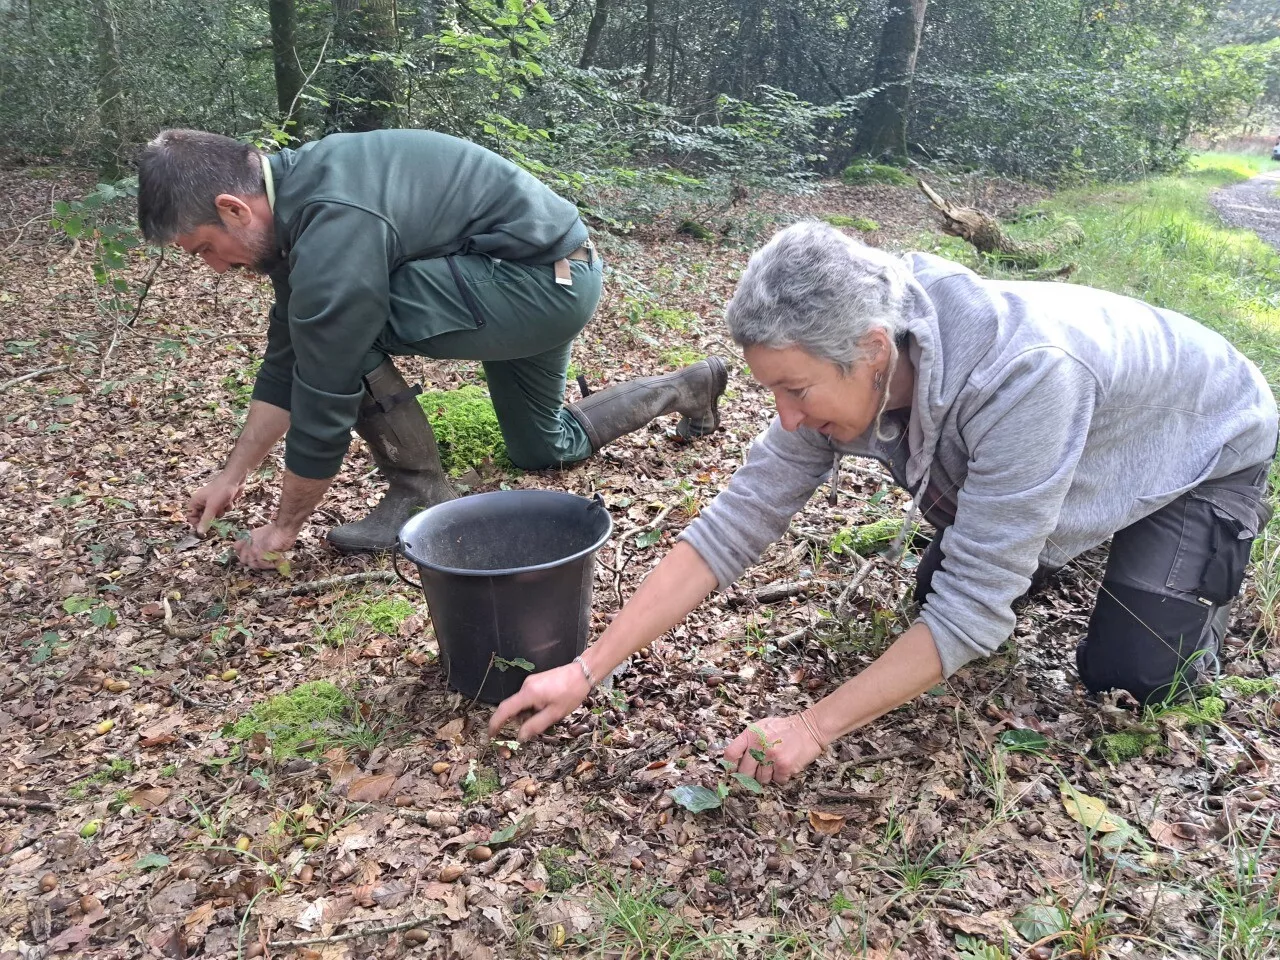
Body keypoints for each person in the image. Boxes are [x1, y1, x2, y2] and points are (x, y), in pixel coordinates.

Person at [490, 221, 1277, 784]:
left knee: (1132, 678)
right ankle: (1063, 525)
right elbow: (735, 524)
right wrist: (587, 669)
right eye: (774, 392)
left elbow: (974, 613)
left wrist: (811, 727)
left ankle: (1161, 560)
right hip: (1075, 429)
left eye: (795, 391)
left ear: (873, 350)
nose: (787, 419)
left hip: (1203, 441)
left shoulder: (1025, 376)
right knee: (938, 597)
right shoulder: (851, 336)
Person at [136, 129, 727, 566]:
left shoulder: (332, 218)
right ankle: (686, 386)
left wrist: (282, 528)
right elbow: (286, 355)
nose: (216, 267)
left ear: (233, 209)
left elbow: (322, 388)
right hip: (556, 273)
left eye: (205, 249)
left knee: (344, 331)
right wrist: (232, 473)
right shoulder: (302, 207)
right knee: (542, 446)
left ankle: (416, 495)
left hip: (535, 286)